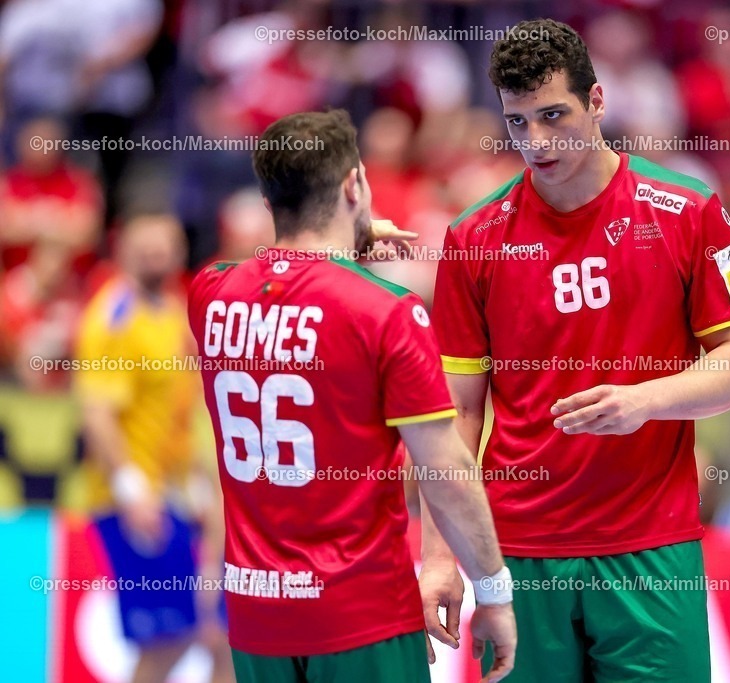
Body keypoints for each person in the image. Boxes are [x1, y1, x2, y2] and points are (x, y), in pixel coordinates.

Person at [420, 18, 730, 682]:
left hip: (651, 550)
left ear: (598, 101)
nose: (537, 141)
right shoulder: (475, 240)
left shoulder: (688, 212)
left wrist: (647, 400)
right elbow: (454, 418)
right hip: (516, 555)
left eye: (555, 115)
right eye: (518, 122)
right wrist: (439, 555)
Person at [187, 108, 517, 683]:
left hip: (256, 614)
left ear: (267, 202)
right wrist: (493, 589)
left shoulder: (209, 293)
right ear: (355, 184)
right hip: (359, 613)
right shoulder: (386, 310)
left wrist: (349, 236)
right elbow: (444, 469)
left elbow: (290, 283)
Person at [74, 213, 231, 682]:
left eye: (164, 246)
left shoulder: (171, 311)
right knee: (171, 637)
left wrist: (201, 483)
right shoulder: (114, 317)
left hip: (181, 494)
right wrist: (131, 488)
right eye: (145, 247)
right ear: (121, 250)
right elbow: (97, 411)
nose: (155, 256)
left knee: (223, 635)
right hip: (137, 500)